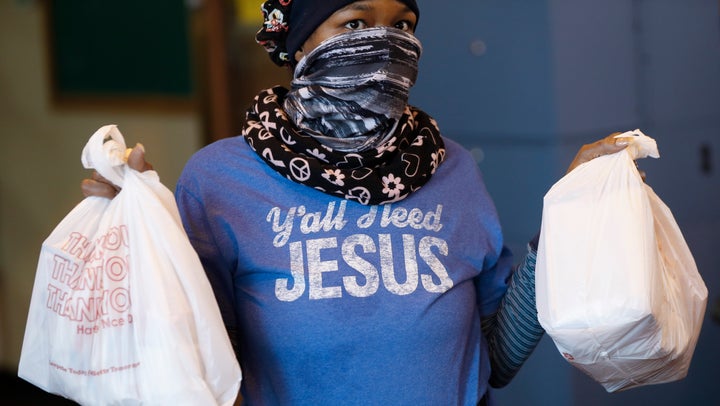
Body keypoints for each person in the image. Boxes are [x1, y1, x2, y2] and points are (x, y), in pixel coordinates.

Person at [82, 1, 634, 404]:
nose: (386, 42)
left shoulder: (452, 167)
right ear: (299, 41)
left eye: (403, 25)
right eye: (354, 23)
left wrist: (568, 221)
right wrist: (138, 228)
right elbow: (196, 360)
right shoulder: (221, 181)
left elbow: (496, 360)